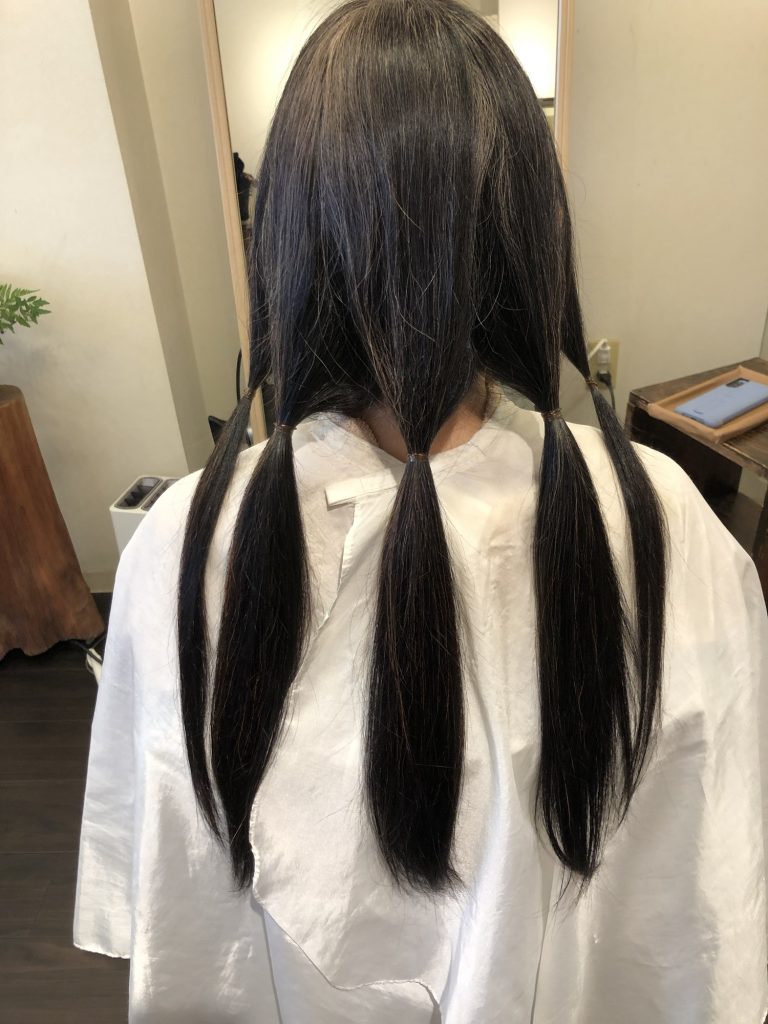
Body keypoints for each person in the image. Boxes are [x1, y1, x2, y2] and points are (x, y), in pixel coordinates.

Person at [73, 0, 768, 1020]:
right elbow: (713, 904)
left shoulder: (183, 540)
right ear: (528, 233)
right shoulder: (662, 523)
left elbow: (165, 907)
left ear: (291, 237)